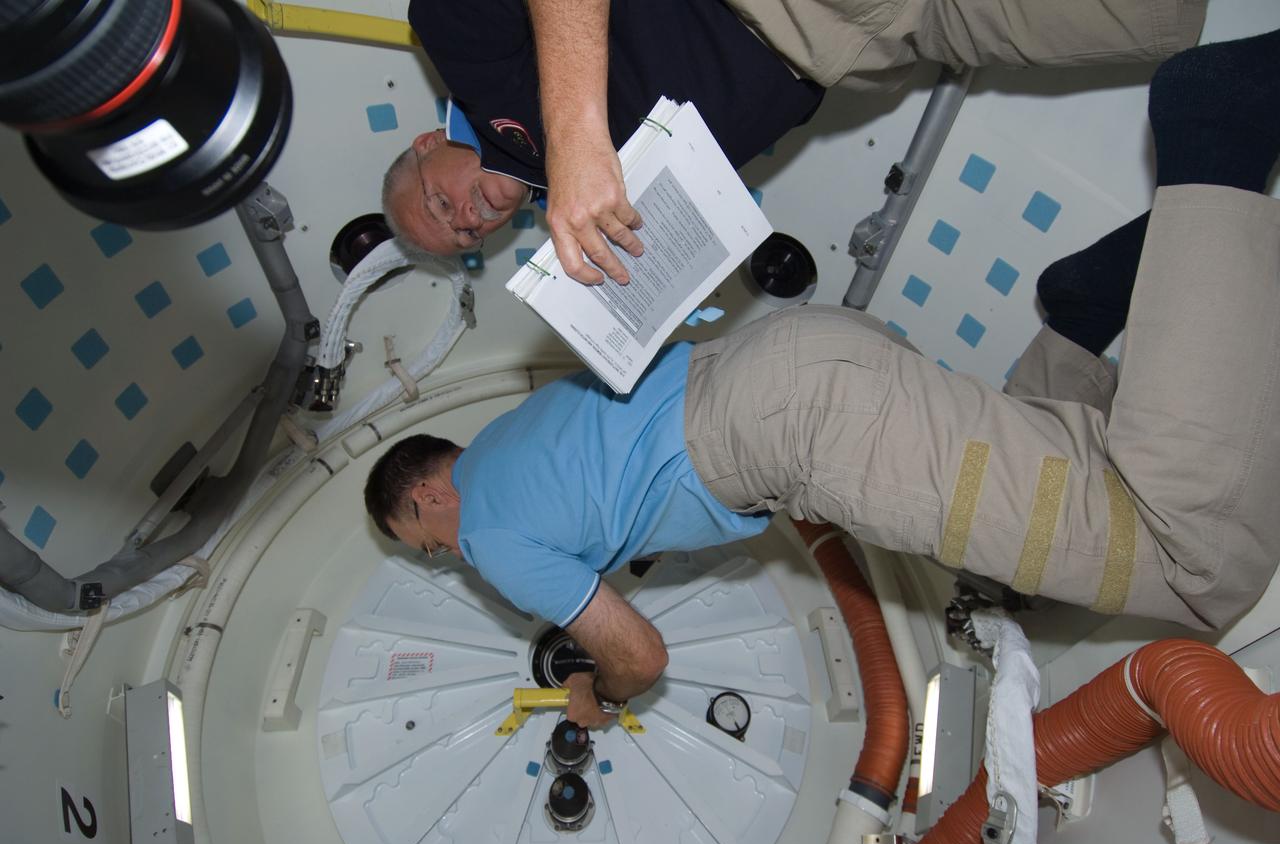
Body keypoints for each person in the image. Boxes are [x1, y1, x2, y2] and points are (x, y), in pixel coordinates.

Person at [366, 28, 1280, 728]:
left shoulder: (488, 534)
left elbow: (641, 657)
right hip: (789, 371)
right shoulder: (519, 433)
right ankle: (1075, 324)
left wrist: (592, 693)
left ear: (424, 500)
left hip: (800, 428)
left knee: (1187, 558)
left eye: (424, 544)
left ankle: (1215, 136)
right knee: (1016, 551)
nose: (445, 557)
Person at [388, 0, 1207, 286]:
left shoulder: (455, 45)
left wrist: (573, 143)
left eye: (438, 202)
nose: (468, 218)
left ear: (429, 143)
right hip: (879, 50)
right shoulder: (587, 217)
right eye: (462, 236)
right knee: (1163, 22)